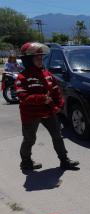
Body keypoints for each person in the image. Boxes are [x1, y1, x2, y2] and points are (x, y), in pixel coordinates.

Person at [15, 42, 79, 171]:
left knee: (58, 136)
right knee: (29, 139)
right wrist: (42, 98)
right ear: (28, 60)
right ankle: (26, 162)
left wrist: (60, 105)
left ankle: (64, 161)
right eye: (36, 57)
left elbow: (56, 91)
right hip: (30, 115)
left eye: (41, 57)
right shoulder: (22, 78)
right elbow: (23, 97)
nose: (40, 60)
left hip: (49, 112)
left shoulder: (47, 74)